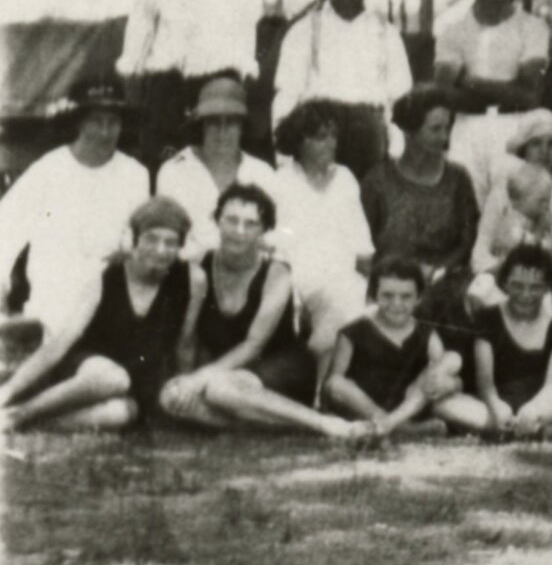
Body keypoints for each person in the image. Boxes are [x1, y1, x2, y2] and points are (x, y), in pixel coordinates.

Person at [159, 184, 372, 441]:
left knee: (219, 390)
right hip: (226, 371)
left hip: (279, 367)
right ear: (217, 220)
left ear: (264, 230)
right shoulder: (197, 266)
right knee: (170, 398)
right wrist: (187, 381)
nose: (239, 231)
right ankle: (267, 424)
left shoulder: (276, 273)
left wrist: (200, 379)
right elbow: (187, 337)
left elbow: (254, 345)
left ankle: (325, 424)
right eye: (232, 220)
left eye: (251, 224)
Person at [0, 198, 198, 431]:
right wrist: (8, 391)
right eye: (151, 239)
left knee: (120, 414)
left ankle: (29, 423)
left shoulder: (192, 279)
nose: (160, 250)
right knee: (114, 378)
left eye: (170, 242)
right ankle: (17, 414)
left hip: (135, 381)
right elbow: (62, 342)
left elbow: (185, 343)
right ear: (134, 239)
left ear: (181, 245)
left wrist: (185, 386)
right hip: (87, 368)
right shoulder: (106, 275)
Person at [117, 0, 261, 170]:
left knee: (209, 174)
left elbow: (245, 63)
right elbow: (133, 61)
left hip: (215, 101)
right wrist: (139, 123)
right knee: (162, 171)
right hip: (165, 102)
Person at [0, 77, 150, 341]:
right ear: (79, 122)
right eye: (96, 121)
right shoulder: (48, 171)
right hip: (53, 307)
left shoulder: (135, 175)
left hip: (111, 309)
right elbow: (5, 232)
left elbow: (138, 243)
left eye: (113, 122)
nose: (105, 132)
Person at [272, 0, 413, 178]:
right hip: (318, 139)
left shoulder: (387, 34)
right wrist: (283, 159)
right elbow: (286, 97)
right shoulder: (304, 31)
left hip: (369, 143)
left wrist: (397, 155)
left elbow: (400, 101)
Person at [454, 244, 552, 439]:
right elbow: (486, 385)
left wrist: (533, 409)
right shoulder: (488, 318)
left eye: (535, 287)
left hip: (541, 407)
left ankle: (519, 429)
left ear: (548, 288)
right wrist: (497, 407)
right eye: (517, 285)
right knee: (443, 404)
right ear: (504, 283)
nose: (525, 295)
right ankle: (540, 431)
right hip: (494, 408)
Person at [434, 0, 551, 201]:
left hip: (515, 128)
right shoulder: (452, 29)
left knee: (513, 205)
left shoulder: (533, 27)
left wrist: (466, 80)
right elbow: (444, 93)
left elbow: (529, 95)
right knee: (465, 205)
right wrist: (507, 89)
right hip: (466, 129)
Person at [361, 88, 480, 329]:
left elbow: (467, 241)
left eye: (447, 128)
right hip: (391, 281)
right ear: (409, 132)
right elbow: (363, 243)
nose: (444, 137)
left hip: (444, 282)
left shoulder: (458, 178)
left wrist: (437, 270)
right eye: (435, 129)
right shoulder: (378, 181)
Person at [267, 99, 374, 365]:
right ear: (299, 142)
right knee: (347, 307)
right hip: (301, 281)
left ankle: (323, 359)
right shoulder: (280, 182)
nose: (331, 144)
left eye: (334, 135)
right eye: (321, 137)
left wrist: (374, 283)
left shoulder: (345, 178)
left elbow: (362, 246)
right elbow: (276, 246)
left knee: (368, 306)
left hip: (346, 279)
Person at [320, 256, 466, 439]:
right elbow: (331, 388)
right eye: (387, 296)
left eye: (406, 297)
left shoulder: (426, 334)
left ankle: (392, 423)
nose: (397, 304)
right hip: (365, 408)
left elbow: (445, 377)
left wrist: (450, 385)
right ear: (374, 296)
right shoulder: (354, 332)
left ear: (419, 298)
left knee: (450, 358)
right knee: (336, 383)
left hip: (408, 405)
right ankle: (404, 428)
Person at [478, 110, 552, 323]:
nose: (544, 151)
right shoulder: (505, 185)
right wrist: (510, 269)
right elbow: (480, 254)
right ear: (523, 149)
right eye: (536, 144)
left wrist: (535, 264)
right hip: (506, 277)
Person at [156, 76, 278, 260]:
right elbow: (168, 240)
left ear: (242, 126)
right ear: (201, 125)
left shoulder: (263, 173)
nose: (222, 131)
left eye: (231, 122)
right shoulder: (174, 171)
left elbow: (271, 239)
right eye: (214, 122)